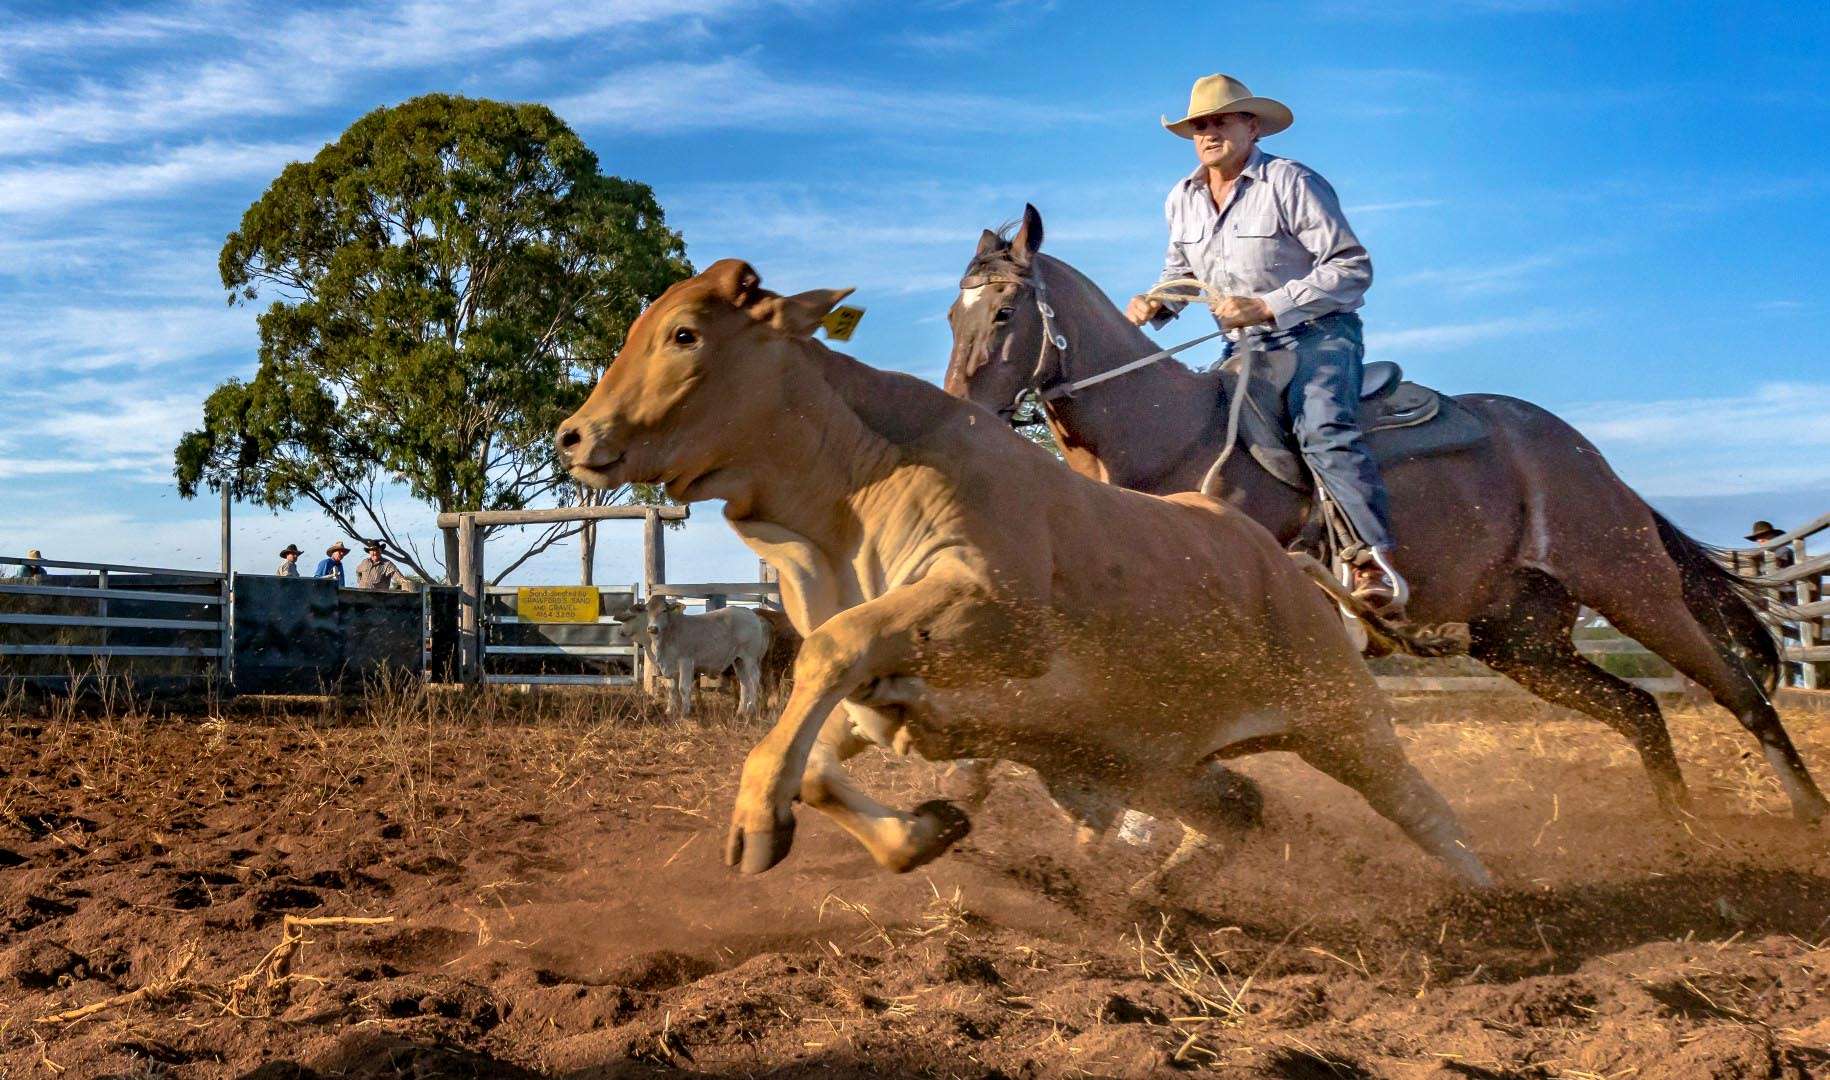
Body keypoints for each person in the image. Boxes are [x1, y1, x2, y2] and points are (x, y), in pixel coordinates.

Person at [1125, 73, 1406, 616]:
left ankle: (1370, 559)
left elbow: (1352, 266)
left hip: (1319, 336)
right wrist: (1156, 302)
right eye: (1199, 125)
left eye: (1220, 121)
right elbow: (1180, 272)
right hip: (1246, 350)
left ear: (1251, 126)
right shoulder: (1181, 199)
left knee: (1322, 427)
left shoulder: (1290, 181)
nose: (1208, 133)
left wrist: (1268, 304)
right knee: (1204, 432)